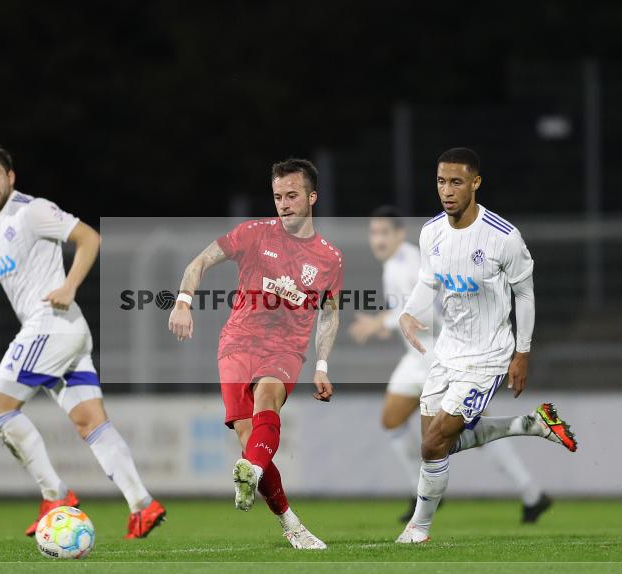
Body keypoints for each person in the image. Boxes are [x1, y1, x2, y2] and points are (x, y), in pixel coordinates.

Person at [0, 145, 165, 539]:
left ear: (11, 177)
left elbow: (89, 238)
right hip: (62, 332)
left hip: (52, 324)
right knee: (90, 421)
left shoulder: (33, 210)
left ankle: (55, 496)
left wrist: (69, 285)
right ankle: (143, 504)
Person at [396, 148, 577, 544]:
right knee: (436, 447)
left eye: (456, 182)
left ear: (476, 183)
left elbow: (524, 296)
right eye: (441, 181)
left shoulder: (503, 236)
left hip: (489, 357)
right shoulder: (431, 233)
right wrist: (409, 312)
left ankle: (419, 529)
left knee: (432, 443)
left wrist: (522, 353)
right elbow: (429, 279)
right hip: (447, 353)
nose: (447, 191)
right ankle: (529, 424)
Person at [168, 158, 343, 550]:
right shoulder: (252, 233)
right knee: (250, 443)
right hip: (237, 344)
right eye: (278, 196)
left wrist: (321, 364)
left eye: (292, 195)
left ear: (312, 197)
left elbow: (329, 314)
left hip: (285, 349)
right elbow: (200, 262)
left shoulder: (329, 258)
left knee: (268, 397)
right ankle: (291, 524)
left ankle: (253, 470)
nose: (284, 203)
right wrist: (182, 301)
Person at [349, 206, 553, 524]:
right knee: (392, 419)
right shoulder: (395, 264)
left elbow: (427, 313)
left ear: (399, 234)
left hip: (440, 356)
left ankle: (531, 490)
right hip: (416, 360)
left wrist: (379, 324)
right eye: (373, 233)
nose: (378, 239)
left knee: (466, 428)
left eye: (384, 232)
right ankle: (426, 490)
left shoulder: (406, 264)